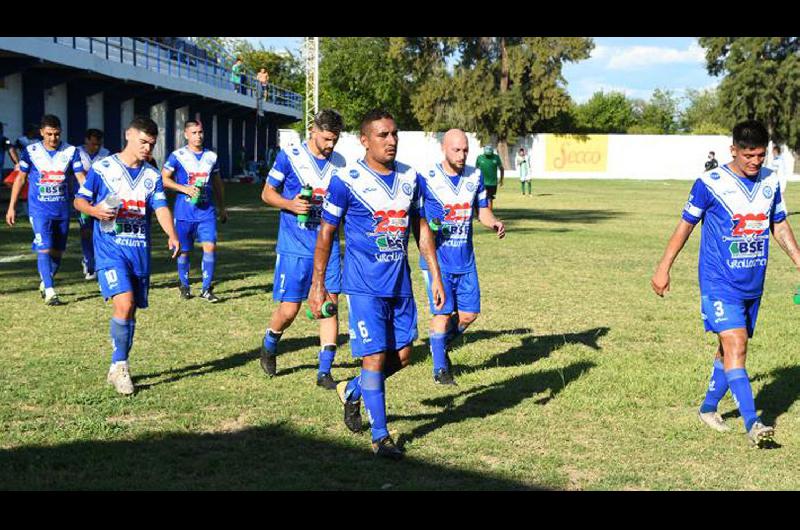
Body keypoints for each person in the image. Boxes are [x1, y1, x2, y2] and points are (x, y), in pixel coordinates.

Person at [651, 120, 800, 448]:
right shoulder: (710, 182)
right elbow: (685, 226)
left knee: (727, 349)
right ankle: (754, 423)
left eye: (760, 155)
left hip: (753, 282)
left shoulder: (771, 181)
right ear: (733, 150)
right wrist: (663, 268)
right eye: (749, 155)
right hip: (719, 281)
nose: (755, 161)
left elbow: (779, 225)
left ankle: (707, 408)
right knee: (737, 344)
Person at [308, 109, 446, 460]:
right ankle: (380, 436)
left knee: (401, 357)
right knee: (373, 358)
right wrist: (318, 284)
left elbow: (422, 229)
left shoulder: (410, 178)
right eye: (383, 135)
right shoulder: (346, 180)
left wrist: (434, 275)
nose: (391, 140)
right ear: (364, 140)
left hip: (399, 285)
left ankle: (352, 390)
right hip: (363, 286)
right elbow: (326, 234)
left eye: (394, 134)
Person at [74, 116, 180, 395]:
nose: (147, 148)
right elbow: (79, 200)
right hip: (110, 249)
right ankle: (121, 366)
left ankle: (117, 364)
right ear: (129, 135)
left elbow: (159, 207)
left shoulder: (151, 176)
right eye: (143, 141)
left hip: (138, 251)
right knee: (124, 302)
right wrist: (95, 211)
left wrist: (172, 234)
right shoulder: (104, 168)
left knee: (130, 310)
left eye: (152, 144)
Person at [259, 109, 346, 388]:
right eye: (327, 138)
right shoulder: (290, 156)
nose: (331, 144)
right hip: (294, 246)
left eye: (335, 139)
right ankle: (270, 343)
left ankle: (324, 372)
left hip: (328, 245)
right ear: (313, 130)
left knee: (328, 306)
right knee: (289, 311)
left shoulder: (341, 163)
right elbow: (266, 193)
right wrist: (290, 204)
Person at [418, 129, 506, 384]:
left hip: (465, 260)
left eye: (465, 150)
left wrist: (494, 223)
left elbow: (484, 211)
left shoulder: (475, 177)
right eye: (456, 150)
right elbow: (417, 219)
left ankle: (439, 344)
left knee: (468, 315)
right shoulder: (427, 178)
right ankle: (440, 371)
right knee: (442, 313)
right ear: (444, 149)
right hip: (438, 261)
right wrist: (429, 226)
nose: (462, 155)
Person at [5, 115, 85, 305]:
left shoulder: (71, 151)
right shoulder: (30, 151)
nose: (53, 138)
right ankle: (50, 291)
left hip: (62, 210)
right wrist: (12, 207)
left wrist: (90, 199)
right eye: (49, 134)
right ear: (41, 133)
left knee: (57, 252)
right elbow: (20, 179)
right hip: (39, 210)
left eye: (56, 134)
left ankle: (46, 281)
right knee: (45, 247)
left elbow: (81, 177)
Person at [161, 120, 228, 302]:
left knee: (210, 247)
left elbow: (217, 182)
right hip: (184, 213)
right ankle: (184, 285)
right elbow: (164, 179)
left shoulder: (211, 157)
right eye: (194, 133)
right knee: (184, 251)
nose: (198, 136)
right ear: (186, 135)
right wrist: (184, 188)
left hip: (206, 212)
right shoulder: (177, 156)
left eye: (200, 132)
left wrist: (222, 207)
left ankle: (206, 289)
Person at [76, 129, 111, 280]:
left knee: (103, 230)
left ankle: (102, 261)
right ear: (86, 140)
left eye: (98, 144)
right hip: (84, 200)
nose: (95, 147)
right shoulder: (77, 153)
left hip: (101, 200)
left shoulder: (106, 154)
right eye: (92, 143)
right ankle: (89, 262)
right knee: (86, 231)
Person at [475, 145, 503, 209]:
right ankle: (481, 215)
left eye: (489, 155)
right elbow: (476, 170)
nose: (488, 156)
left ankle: (489, 216)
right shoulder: (479, 158)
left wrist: (501, 180)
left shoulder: (496, 157)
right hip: (481, 182)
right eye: (487, 155)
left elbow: (501, 168)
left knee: (489, 198)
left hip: (492, 183)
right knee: (481, 198)